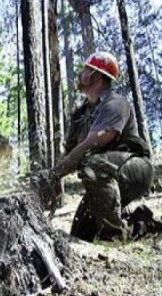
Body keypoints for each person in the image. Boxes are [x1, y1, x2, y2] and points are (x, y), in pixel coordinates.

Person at [49, 51, 155, 241]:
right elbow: (69, 153)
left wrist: (55, 174)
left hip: (136, 169)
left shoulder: (115, 104)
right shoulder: (79, 115)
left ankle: (114, 235)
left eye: (86, 70)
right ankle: (141, 224)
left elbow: (90, 145)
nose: (81, 74)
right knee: (80, 235)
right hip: (105, 171)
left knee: (91, 163)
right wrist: (53, 179)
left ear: (97, 76)